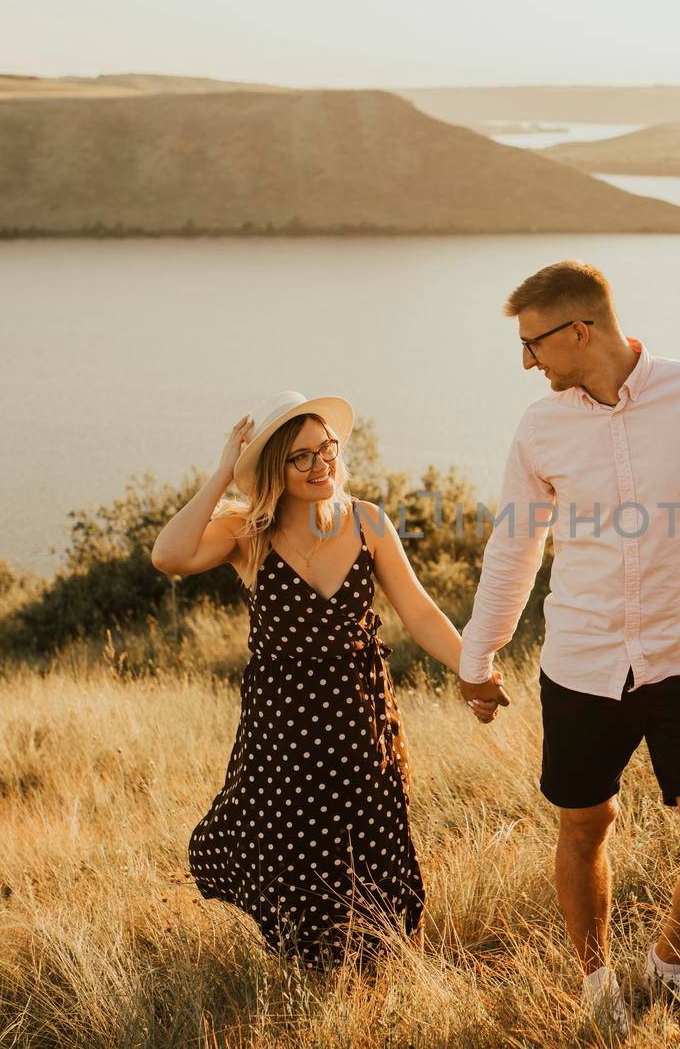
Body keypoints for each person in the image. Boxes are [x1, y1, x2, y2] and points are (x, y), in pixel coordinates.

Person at [458, 261, 680, 1033]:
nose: (525, 362)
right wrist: (477, 658)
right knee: (585, 825)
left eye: (532, 343)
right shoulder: (540, 427)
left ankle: (671, 959)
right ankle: (595, 980)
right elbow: (514, 550)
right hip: (580, 665)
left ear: (579, 331)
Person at [152, 391, 503, 967]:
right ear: (274, 470)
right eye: (301, 458)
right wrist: (221, 474)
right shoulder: (246, 533)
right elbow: (170, 555)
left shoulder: (367, 521)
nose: (322, 466)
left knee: (372, 843)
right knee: (292, 850)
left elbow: (419, 613)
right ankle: (313, 971)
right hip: (281, 726)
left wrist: (475, 670)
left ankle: (380, 971)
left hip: (361, 715)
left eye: (328, 450)